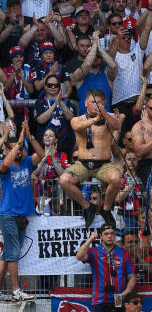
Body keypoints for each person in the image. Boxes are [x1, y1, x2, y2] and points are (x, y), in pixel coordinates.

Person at [61, 90, 123, 230]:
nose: (96, 105)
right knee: (64, 180)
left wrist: (104, 114)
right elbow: (77, 126)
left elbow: (117, 126)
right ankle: (88, 207)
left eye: (100, 102)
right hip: (83, 164)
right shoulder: (78, 119)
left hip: (103, 164)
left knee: (116, 178)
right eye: (93, 102)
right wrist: (94, 119)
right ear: (86, 103)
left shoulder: (108, 119)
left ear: (104, 103)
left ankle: (106, 209)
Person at [0, 125, 38, 302]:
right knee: (13, 252)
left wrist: (29, 137)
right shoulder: (2, 166)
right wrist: (19, 141)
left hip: (21, 216)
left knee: (8, 253)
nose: (19, 150)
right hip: (8, 214)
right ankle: (16, 290)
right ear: (8, 150)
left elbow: (41, 155)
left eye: (20, 148)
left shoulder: (26, 163)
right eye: (15, 148)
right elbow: (4, 164)